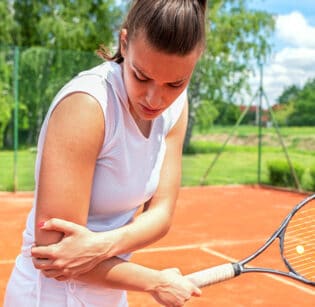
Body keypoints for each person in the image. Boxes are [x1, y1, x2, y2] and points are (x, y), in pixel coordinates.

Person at [4, 0, 207, 306]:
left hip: (110, 296)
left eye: (176, 83)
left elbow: (162, 213)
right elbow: (55, 255)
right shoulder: (87, 105)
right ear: (124, 43)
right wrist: (156, 281)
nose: (156, 98)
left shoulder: (176, 106)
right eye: (141, 76)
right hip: (49, 297)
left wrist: (99, 245)